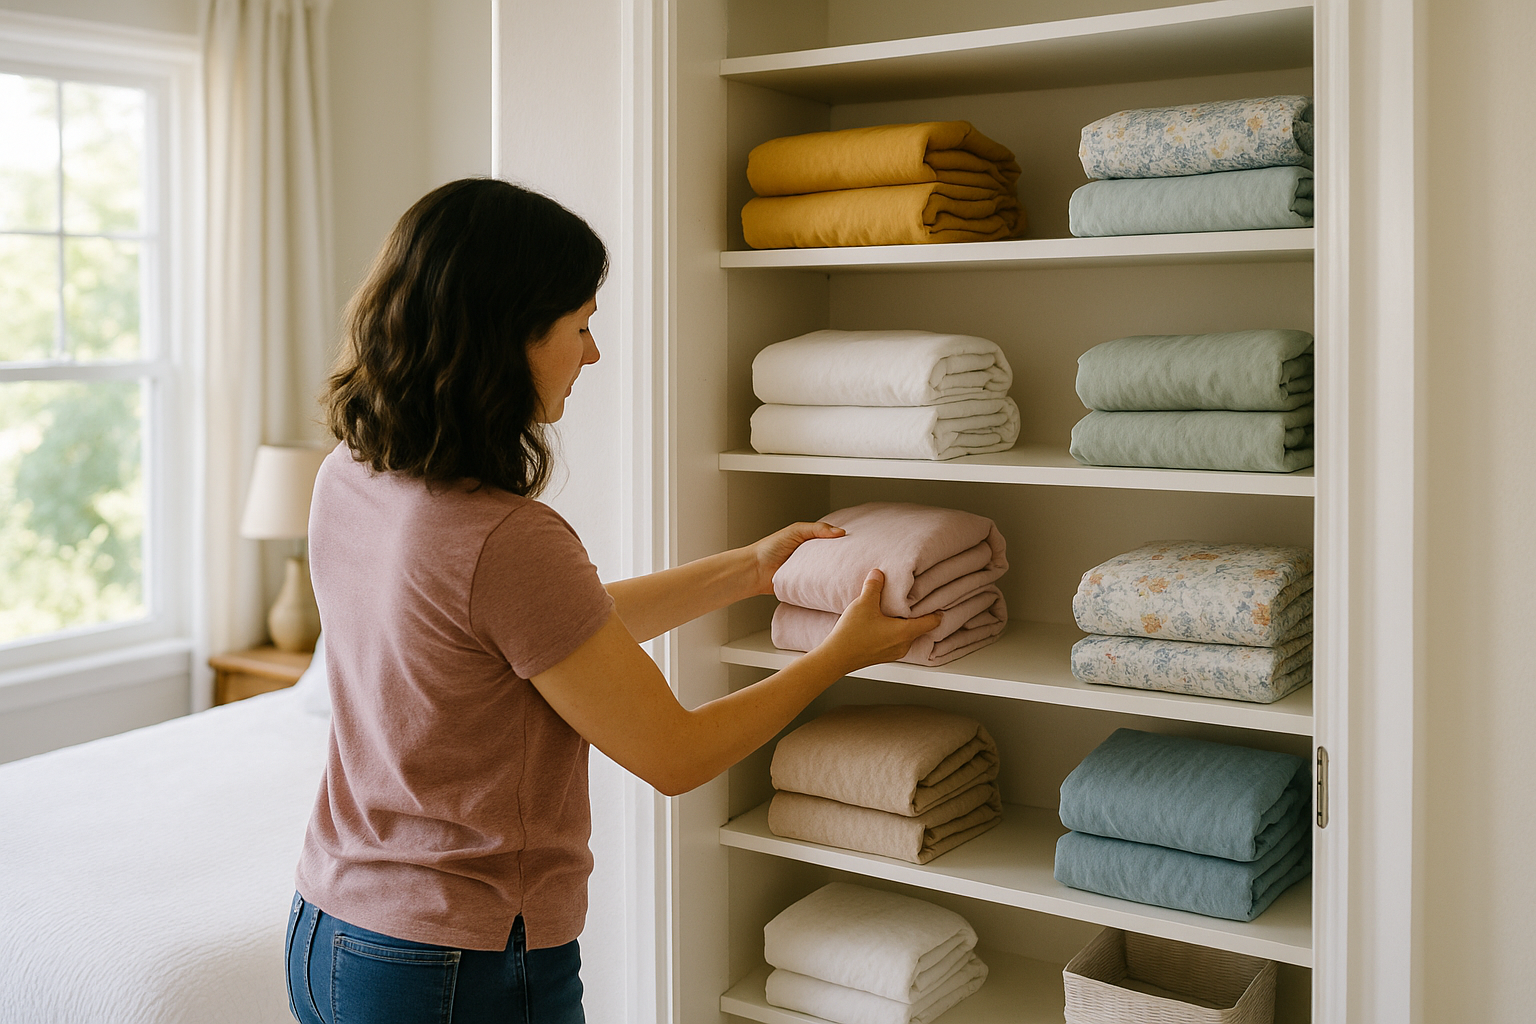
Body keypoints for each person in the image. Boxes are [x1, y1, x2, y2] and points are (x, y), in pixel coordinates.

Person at [283, 178, 940, 1024]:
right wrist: (835, 659)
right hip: (454, 963)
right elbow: (675, 754)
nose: (592, 354)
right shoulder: (507, 537)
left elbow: (537, 639)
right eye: (581, 326)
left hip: (329, 928)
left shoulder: (352, 475)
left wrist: (747, 569)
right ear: (505, 339)